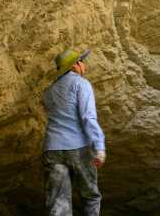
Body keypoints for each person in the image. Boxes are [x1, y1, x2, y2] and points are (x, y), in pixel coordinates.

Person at [42, 49, 106, 216]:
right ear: (75, 65)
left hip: (53, 149)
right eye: (81, 61)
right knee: (90, 197)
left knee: (58, 201)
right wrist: (99, 147)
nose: (84, 65)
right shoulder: (81, 84)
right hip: (78, 147)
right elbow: (88, 117)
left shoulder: (49, 92)